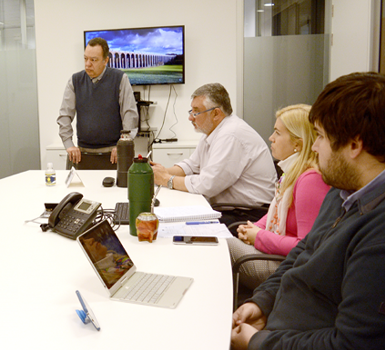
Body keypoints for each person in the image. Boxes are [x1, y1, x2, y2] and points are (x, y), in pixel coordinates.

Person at [231, 72, 385, 350]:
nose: (314, 148)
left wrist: (259, 342)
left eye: (321, 137)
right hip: (277, 326)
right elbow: (302, 255)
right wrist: (262, 302)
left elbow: (352, 344)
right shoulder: (342, 193)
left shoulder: (378, 233)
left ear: (354, 144)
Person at [227, 104, 329, 289]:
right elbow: (276, 211)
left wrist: (259, 236)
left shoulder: (310, 180)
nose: (271, 138)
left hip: (285, 266)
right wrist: (254, 227)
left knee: (222, 245)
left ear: (297, 143)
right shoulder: (293, 172)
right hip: (277, 256)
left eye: (277, 133)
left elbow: (306, 247)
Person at [150, 83, 277, 228]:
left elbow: (207, 185)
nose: (190, 118)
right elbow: (192, 165)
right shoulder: (213, 131)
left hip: (247, 215)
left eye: (196, 112)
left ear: (216, 113)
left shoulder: (230, 135)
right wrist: (159, 172)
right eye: (191, 111)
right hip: (231, 208)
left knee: (181, 226)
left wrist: (167, 180)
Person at [57, 37, 138, 166]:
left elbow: (129, 113)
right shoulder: (75, 81)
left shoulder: (120, 78)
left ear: (106, 60)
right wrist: (69, 144)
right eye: (85, 58)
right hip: (82, 154)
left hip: (114, 154)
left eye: (93, 60)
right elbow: (65, 115)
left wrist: (123, 145)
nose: (87, 64)